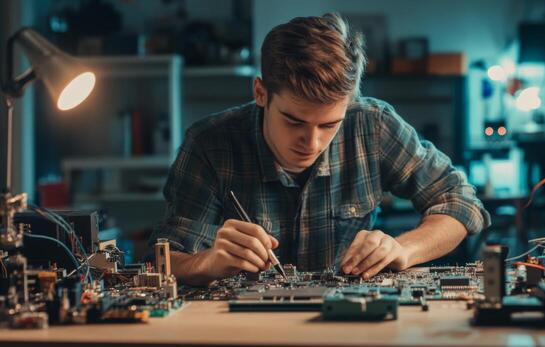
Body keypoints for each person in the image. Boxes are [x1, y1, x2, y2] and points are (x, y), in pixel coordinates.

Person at [149, 13, 490, 286]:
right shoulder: (210, 143)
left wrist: (403, 248)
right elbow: (166, 260)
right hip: (247, 330)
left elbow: (461, 204)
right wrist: (208, 262)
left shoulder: (372, 125)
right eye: (295, 122)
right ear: (261, 93)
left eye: (329, 125)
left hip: (351, 322)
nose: (311, 143)